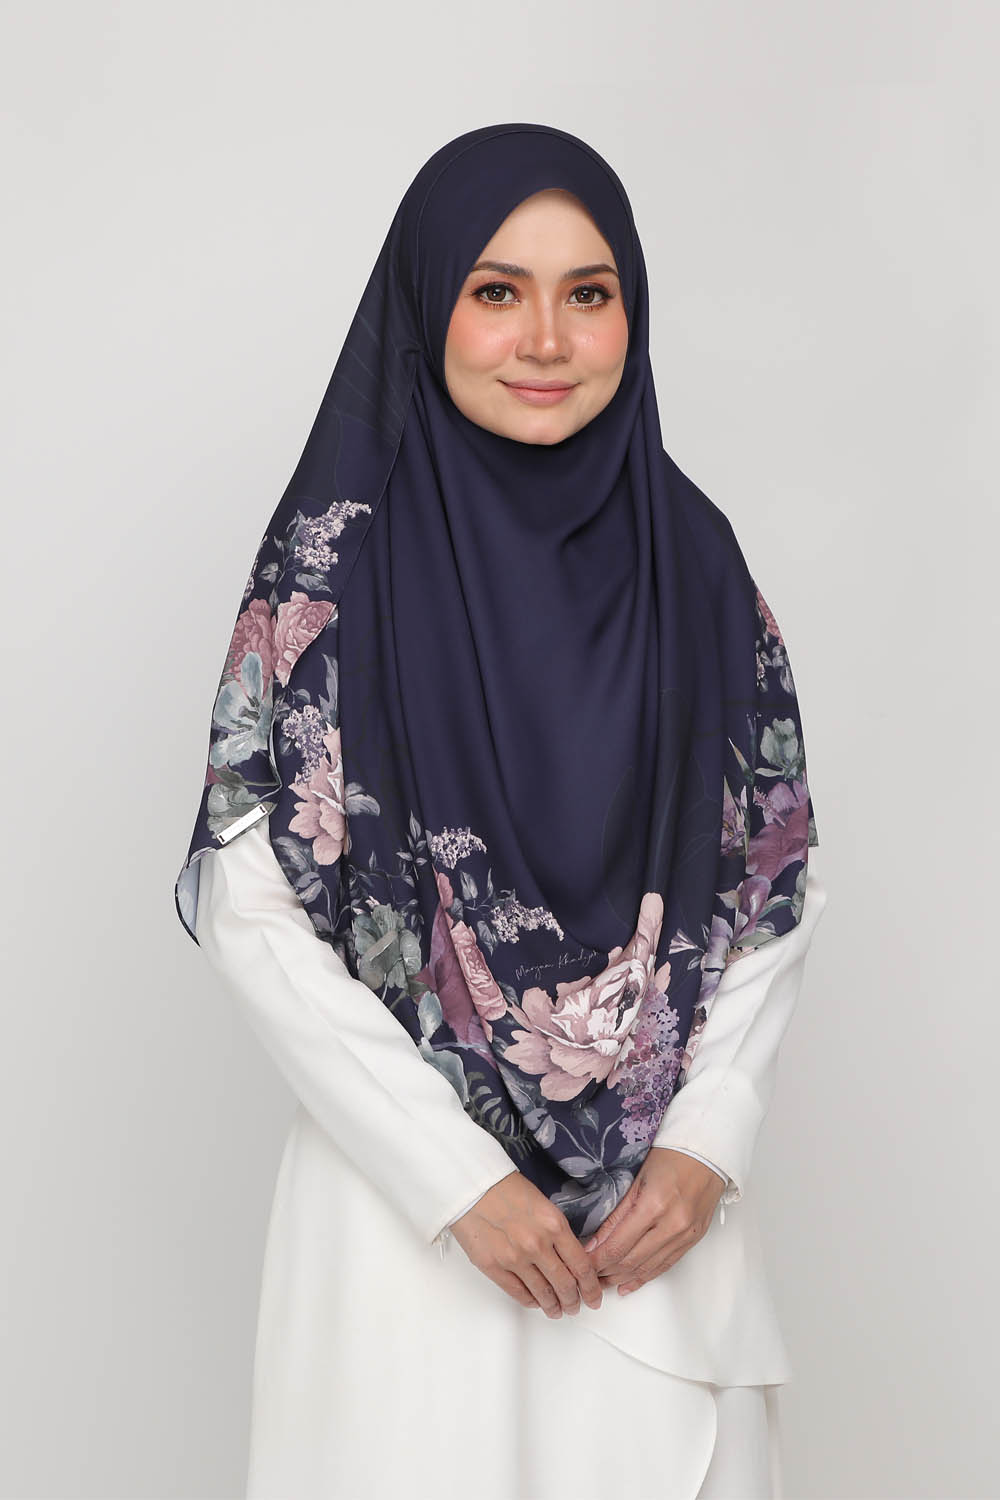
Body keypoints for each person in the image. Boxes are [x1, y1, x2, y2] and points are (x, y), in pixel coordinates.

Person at [174, 122, 828, 1499]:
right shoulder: (333, 573)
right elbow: (250, 900)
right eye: (495, 290)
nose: (546, 339)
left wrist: (709, 1141)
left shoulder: (695, 559)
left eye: (588, 292)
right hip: (411, 1244)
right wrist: (452, 1178)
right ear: (427, 307)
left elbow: (772, 874)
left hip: (655, 1240)